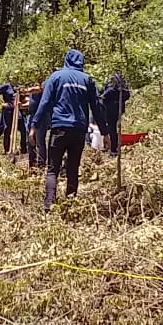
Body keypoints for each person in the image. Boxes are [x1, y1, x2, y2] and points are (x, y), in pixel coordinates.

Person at [30, 50, 105, 211]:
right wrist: (105, 132)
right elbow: (97, 107)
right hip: (79, 130)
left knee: (52, 168)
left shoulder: (56, 77)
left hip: (59, 128)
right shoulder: (87, 80)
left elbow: (44, 103)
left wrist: (34, 126)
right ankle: (70, 204)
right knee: (73, 167)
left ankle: (49, 205)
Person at [100, 73, 131, 157]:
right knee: (113, 128)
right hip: (119, 109)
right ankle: (114, 147)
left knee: (112, 129)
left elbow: (107, 93)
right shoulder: (120, 84)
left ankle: (114, 150)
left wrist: (103, 96)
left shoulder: (112, 82)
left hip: (111, 110)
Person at [25, 80, 46, 170]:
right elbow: (31, 102)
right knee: (29, 141)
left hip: (41, 116)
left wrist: (25, 90)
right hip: (31, 115)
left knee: (39, 142)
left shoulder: (43, 84)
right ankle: (31, 162)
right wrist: (22, 105)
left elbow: (39, 89)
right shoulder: (32, 88)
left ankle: (41, 164)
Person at [0, 77, 18, 155]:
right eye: (13, 78)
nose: (15, 79)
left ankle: (20, 148)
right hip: (7, 110)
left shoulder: (19, 86)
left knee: (21, 128)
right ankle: (7, 149)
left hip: (17, 110)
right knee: (7, 129)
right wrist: (1, 103)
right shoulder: (6, 86)